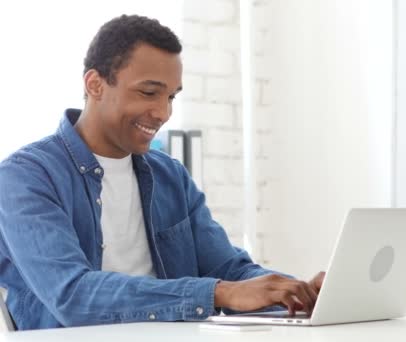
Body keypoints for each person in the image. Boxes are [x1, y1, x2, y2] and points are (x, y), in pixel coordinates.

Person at [0, 14, 324, 330]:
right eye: (149, 92)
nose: (163, 112)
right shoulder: (24, 178)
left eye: (170, 96)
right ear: (95, 84)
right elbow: (72, 296)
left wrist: (300, 294)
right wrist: (217, 292)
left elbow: (227, 268)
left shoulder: (170, 176)